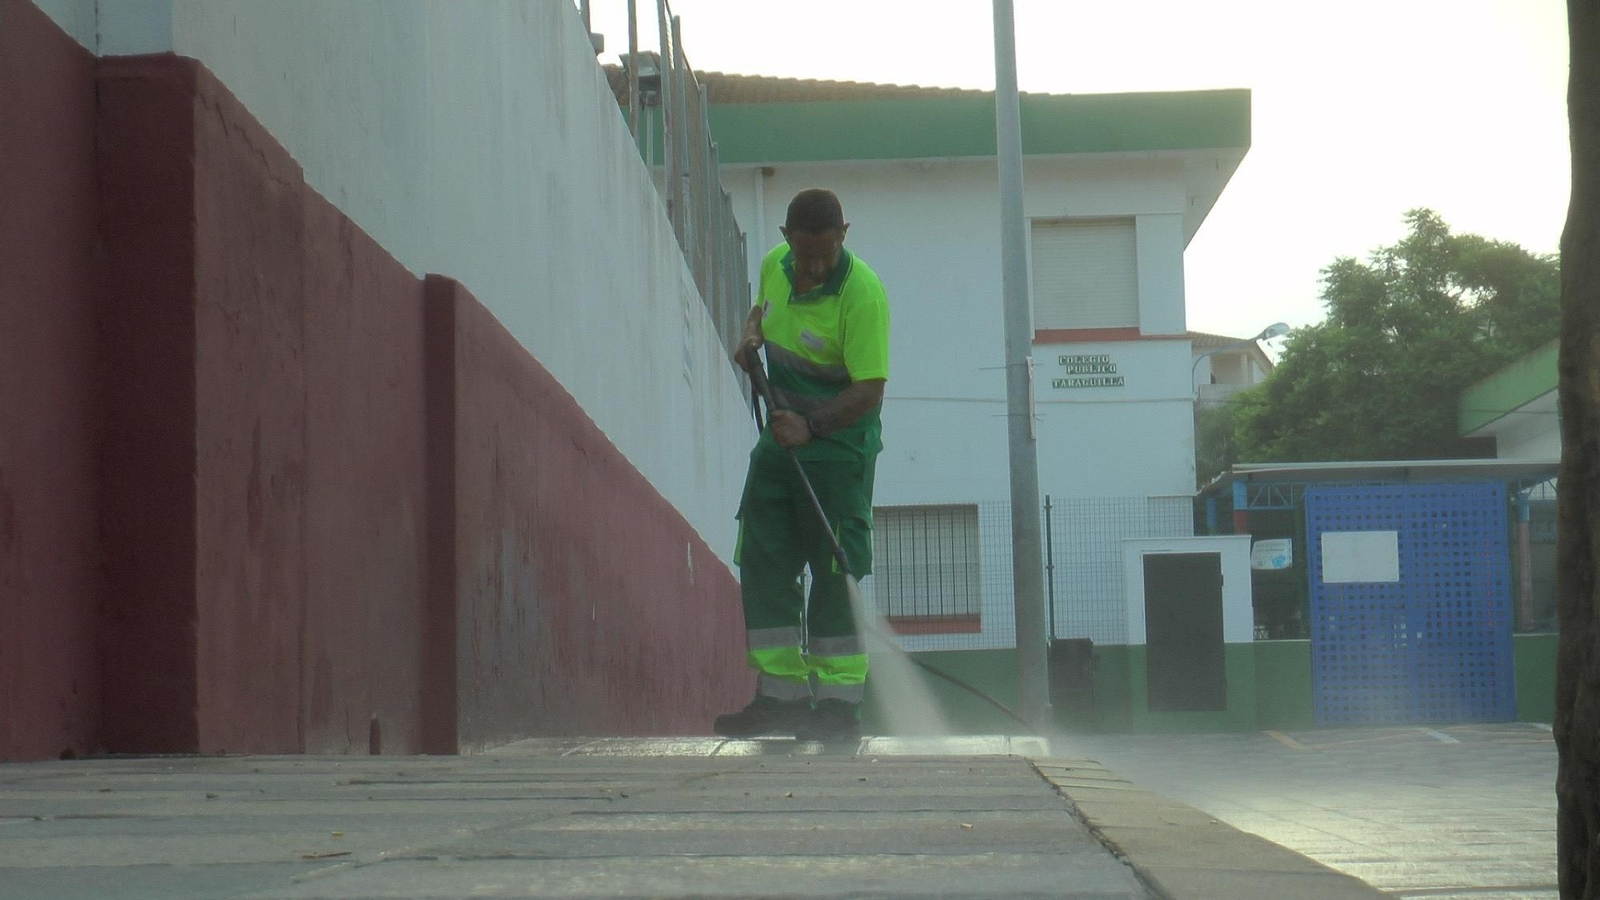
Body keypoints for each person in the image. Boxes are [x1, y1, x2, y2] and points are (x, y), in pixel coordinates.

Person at [714, 188, 890, 742]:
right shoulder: (775, 266)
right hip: (782, 441)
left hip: (839, 450)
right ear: (787, 240)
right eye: (804, 252)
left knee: (834, 569)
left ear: (844, 235)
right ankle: (781, 699)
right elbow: (760, 311)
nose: (813, 266)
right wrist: (749, 335)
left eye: (826, 252)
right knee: (765, 557)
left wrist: (812, 427)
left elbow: (869, 389)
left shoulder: (862, 295)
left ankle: (838, 706)